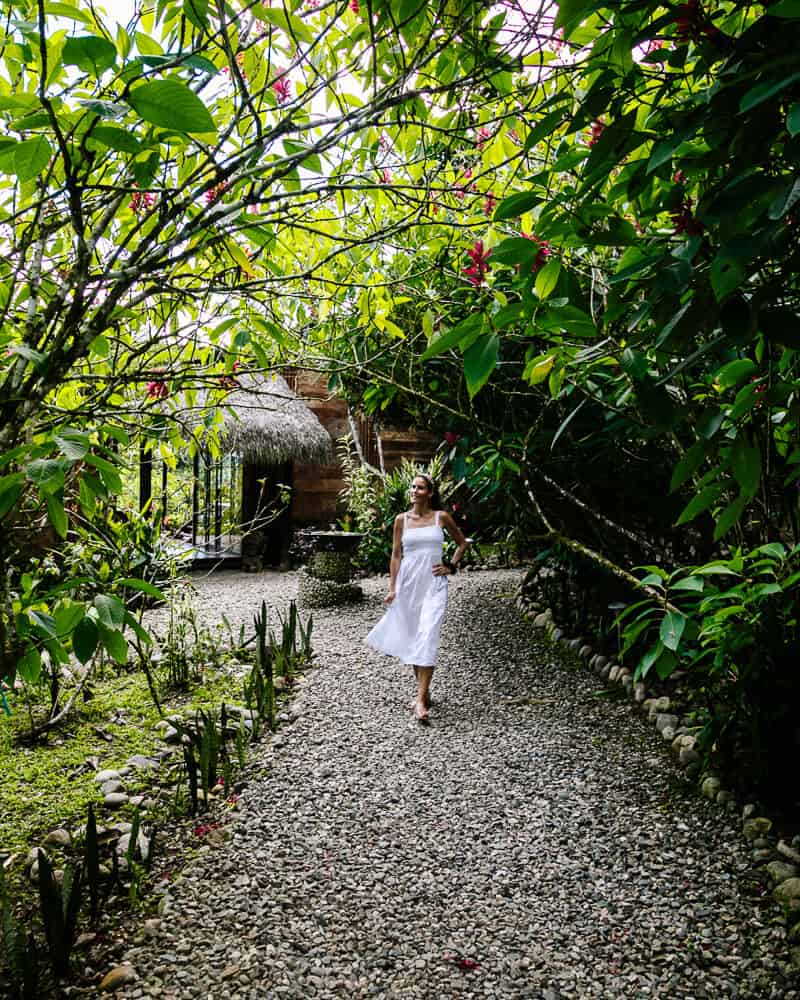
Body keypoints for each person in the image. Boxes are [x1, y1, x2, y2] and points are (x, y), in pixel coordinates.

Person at [366, 473, 468, 722]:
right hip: (409, 584)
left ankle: (420, 701)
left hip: (434, 584)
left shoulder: (440, 517)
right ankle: (425, 690)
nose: (414, 490)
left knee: (429, 634)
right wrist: (392, 588)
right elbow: (395, 555)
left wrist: (451, 566)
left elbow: (462, 543)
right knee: (414, 637)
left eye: (420, 487)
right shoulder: (402, 520)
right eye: (412, 486)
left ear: (430, 493)